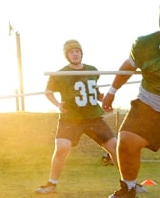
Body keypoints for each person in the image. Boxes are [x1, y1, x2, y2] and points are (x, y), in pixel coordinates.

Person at [102, 0, 160, 198]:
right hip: (152, 106)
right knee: (127, 141)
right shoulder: (146, 44)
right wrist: (111, 91)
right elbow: (128, 67)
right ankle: (128, 188)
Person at [35, 40, 119, 194]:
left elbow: (93, 90)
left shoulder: (92, 70)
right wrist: (58, 104)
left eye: (77, 51)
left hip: (93, 117)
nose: (74, 54)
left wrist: (101, 98)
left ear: (81, 53)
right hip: (71, 118)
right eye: (71, 52)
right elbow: (48, 91)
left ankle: (129, 183)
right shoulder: (60, 74)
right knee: (62, 148)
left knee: (115, 147)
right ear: (67, 55)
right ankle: (51, 184)